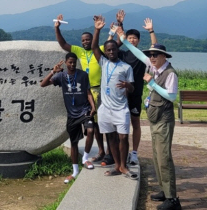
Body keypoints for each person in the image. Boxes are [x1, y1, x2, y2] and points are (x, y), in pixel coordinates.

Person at [117, 26, 181, 210]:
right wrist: (125, 40)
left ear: (164, 57)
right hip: (155, 120)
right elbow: (137, 53)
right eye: (151, 55)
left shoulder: (170, 74)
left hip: (164, 120)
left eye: (156, 55)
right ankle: (164, 190)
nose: (152, 58)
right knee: (156, 156)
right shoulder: (155, 68)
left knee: (164, 158)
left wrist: (151, 83)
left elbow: (171, 96)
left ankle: (173, 200)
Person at [54, 14, 112, 166]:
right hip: (85, 92)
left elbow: (115, 44)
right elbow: (63, 44)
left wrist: (118, 27)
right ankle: (100, 151)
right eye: (84, 40)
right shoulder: (79, 51)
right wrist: (57, 29)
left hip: (99, 90)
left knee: (103, 123)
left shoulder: (98, 49)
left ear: (92, 40)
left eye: (88, 39)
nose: (86, 42)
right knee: (94, 124)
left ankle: (109, 153)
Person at [109, 11, 158, 165]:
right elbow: (109, 47)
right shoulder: (121, 54)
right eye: (129, 38)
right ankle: (117, 152)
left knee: (135, 123)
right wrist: (117, 27)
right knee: (117, 124)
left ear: (138, 41)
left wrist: (151, 31)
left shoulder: (143, 56)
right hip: (120, 94)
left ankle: (134, 153)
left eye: (134, 38)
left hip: (135, 94)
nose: (132, 40)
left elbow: (155, 47)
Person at [91, 15, 136, 179]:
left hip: (121, 108)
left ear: (118, 49)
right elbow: (94, 46)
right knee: (110, 137)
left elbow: (132, 88)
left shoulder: (126, 67)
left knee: (123, 137)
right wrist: (97, 29)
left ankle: (124, 166)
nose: (111, 52)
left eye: (113, 49)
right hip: (105, 109)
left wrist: (127, 86)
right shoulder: (103, 62)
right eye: (108, 50)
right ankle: (117, 166)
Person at [40, 53, 96, 184]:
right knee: (74, 143)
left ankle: (85, 158)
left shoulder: (82, 75)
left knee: (91, 131)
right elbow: (43, 84)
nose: (72, 64)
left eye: (74, 62)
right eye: (70, 62)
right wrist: (53, 71)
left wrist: (92, 106)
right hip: (72, 115)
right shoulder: (61, 76)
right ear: (65, 62)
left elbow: (87, 92)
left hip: (85, 110)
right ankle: (75, 171)